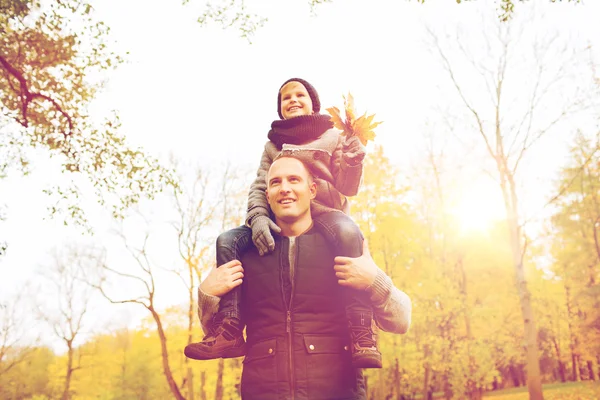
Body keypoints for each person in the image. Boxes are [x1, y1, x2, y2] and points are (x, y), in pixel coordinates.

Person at [186, 77, 381, 368]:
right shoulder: (273, 144)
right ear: (280, 108)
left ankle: (362, 332)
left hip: (325, 213)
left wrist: (353, 160)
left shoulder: (333, 135)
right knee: (227, 240)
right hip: (280, 216)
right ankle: (229, 327)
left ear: (313, 103)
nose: (292, 100)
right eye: (285, 97)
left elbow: (348, 186)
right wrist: (259, 217)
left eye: (299, 94)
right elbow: (260, 186)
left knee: (349, 231)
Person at [185, 156, 412, 399]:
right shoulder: (245, 254)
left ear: (312, 190)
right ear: (267, 195)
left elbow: (401, 321)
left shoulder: (342, 245)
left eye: (294, 180)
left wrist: (374, 280)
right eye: (275, 183)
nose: (285, 189)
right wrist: (207, 294)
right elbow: (217, 334)